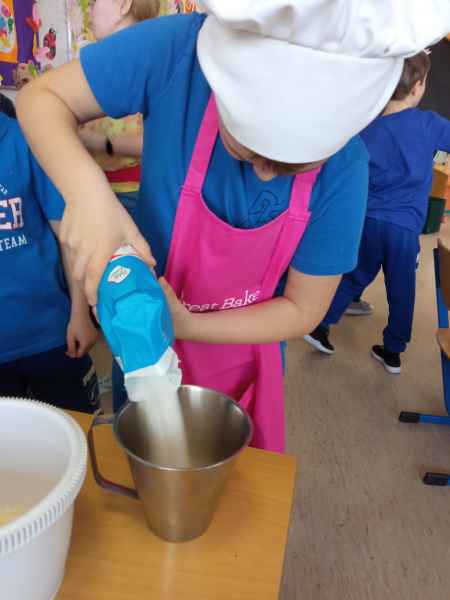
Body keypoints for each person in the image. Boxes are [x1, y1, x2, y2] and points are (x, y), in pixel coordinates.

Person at [16, 1, 449, 450]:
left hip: (247, 358)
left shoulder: (346, 170)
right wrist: (89, 196)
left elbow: (304, 309)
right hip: (143, 342)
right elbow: (41, 99)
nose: (263, 173)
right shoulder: (176, 54)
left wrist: (187, 325)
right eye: (247, 149)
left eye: (294, 165)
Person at [304, 51, 450, 374]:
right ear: (418, 87)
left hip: (367, 221)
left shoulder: (367, 125)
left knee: (354, 276)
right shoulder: (428, 124)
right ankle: (392, 352)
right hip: (404, 229)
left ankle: (320, 325)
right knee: (402, 290)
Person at [0, 111, 99, 410]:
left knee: (78, 424)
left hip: (50, 333)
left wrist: (80, 313)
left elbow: (67, 235)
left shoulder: (27, 138)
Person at [78, 0, 159, 219]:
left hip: (133, 192)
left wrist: (100, 142)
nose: (89, 10)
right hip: (94, 187)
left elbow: (157, 142)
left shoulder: (151, 62)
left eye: (94, 2)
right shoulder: (92, 62)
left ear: (124, 5)